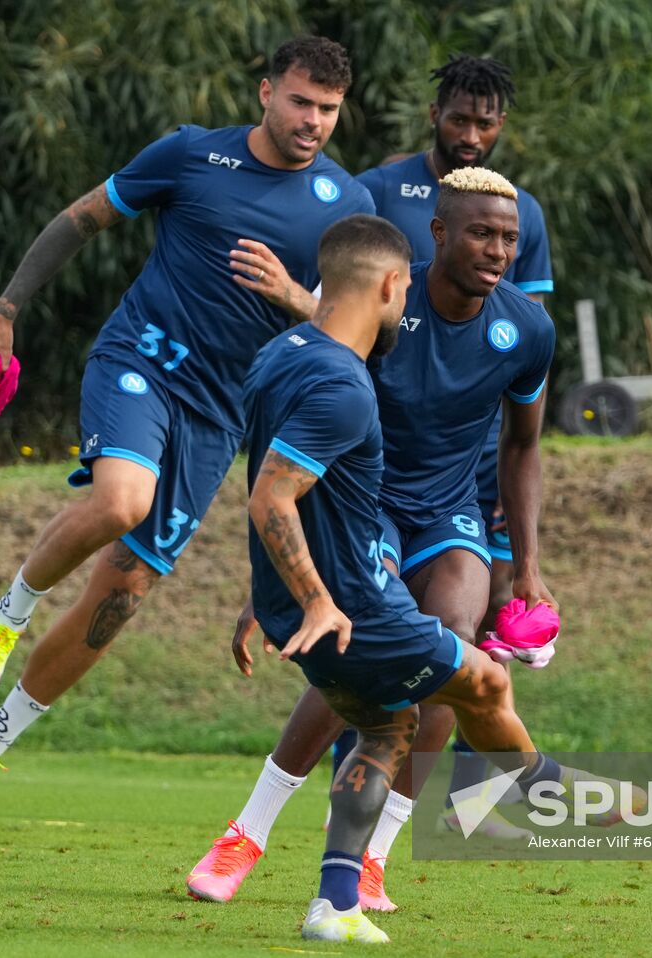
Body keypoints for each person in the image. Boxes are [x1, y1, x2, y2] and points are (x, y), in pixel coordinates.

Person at [0, 37, 374, 836]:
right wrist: (4, 311)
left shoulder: (341, 205)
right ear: (267, 91)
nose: (314, 121)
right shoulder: (191, 155)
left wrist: (292, 296)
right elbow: (80, 219)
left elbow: (350, 329)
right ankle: (6, 614)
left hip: (219, 417)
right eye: (302, 102)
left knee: (123, 595)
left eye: (330, 110)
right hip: (140, 361)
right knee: (121, 502)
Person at [187, 168, 558, 908]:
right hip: (368, 503)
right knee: (357, 642)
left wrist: (527, 567)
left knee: (449, 642)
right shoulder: (384, 300)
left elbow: (522, 447)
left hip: (450, 510)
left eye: (511, 238)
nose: (497, 250)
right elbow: (294, 458)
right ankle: (247, 834)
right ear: (440, 234)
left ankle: (373, 857)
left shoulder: (528, 330)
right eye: (481, 232)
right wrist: (273, 586)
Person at [240, 213, 602, 943]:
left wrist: (275, 593)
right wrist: (319, 599)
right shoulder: (348, 387)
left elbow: (272, 488)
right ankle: (544, 785)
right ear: (391, 283)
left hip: (312, 601)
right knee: (484, 685)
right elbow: (272, 497)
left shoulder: (279, 354)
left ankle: (336, 902)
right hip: (359, 604)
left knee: (388, 721)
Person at [351, 53, 557, 826]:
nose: (473, 133)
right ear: (435, 114)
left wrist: (521, 537)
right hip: (373, 466)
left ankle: (440, 807)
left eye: (487, 121)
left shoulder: (520, 213)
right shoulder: (377, 190)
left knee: (461, 637)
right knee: (378, 640)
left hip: (463, 478)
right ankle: (284, 814)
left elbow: (515, 348)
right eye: (461, 117)